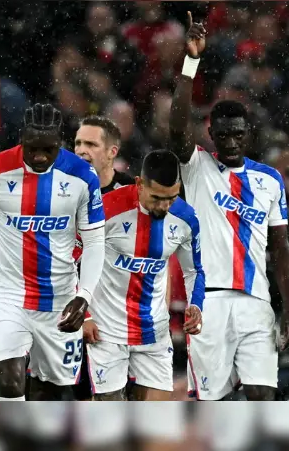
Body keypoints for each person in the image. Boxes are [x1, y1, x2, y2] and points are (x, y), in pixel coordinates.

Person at [169, 12, 289, 401]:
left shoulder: (270, 179)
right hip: (208, 301)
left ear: (248, 133)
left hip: (256, 301)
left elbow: (281, 247)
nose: (230, 141)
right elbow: (177, 127)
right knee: (215, 404)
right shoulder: (198, 168)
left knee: (262, 395)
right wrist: (191, 63)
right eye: (222, 135)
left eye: (237, 134)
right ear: (211, 134)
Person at [0, 103, 106, 401]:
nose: (40, 156)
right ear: (21, 138)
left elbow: (95, 240)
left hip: (59, 298)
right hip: (6, 293)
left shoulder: (83, 176)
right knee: (9, 380)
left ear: (61, 142)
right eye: (33, 148)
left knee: (49, 393)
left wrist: (84, 295)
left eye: (49, 149)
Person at [86, 149, 205, 401]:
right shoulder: (106, 208)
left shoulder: (186, 219)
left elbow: (194, 270)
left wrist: (196, 305)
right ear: (139, 184)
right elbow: (71, 259)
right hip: (106, 330)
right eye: (156, 198)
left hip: (155, 332)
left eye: (171, 198)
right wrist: (84, 316)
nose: (163, 206)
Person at [73, 115, 135, 401]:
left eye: (91, 144)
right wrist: (84, 315)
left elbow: (157, 258)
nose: (81, 150)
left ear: (112, 152)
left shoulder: (134, 194)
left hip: (128, 314)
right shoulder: (62, 194)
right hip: (82, 315)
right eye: (77, 143)